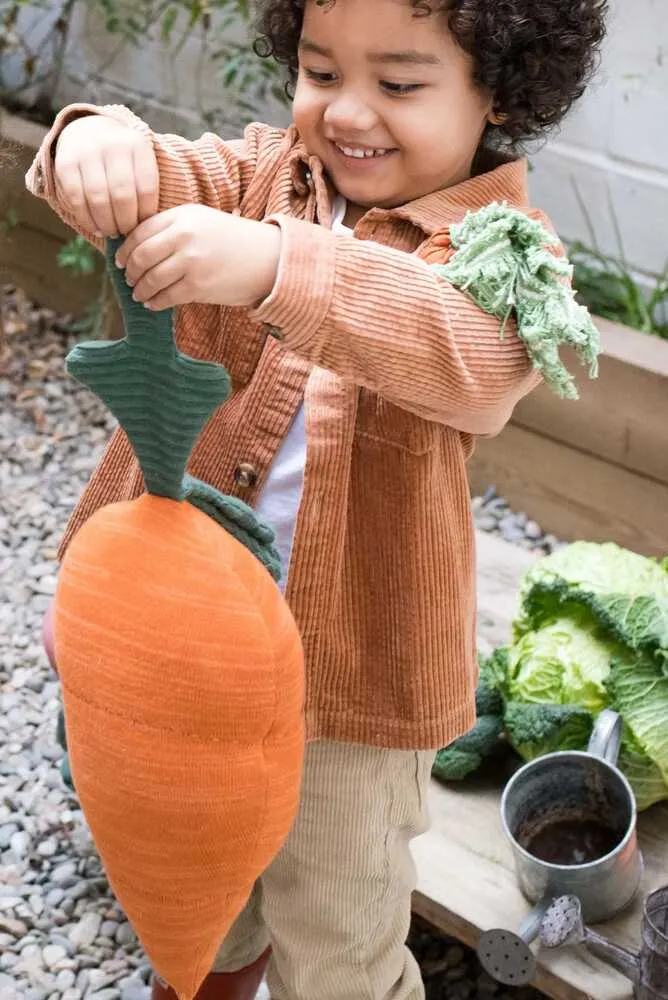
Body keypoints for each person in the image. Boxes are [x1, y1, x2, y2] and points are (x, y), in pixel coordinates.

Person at [27, 0, 607, 997]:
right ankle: (209, 961)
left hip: (349, 684)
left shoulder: (505, 257)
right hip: (188, 638)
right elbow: (153, 167)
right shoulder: (261, 176)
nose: (346, 111)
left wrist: (274, 267)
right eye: (318, 71)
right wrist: (95, 145)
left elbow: (460, 353)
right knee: (192, 868)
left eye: (397, 83)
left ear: (500, 91)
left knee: (334, 920)